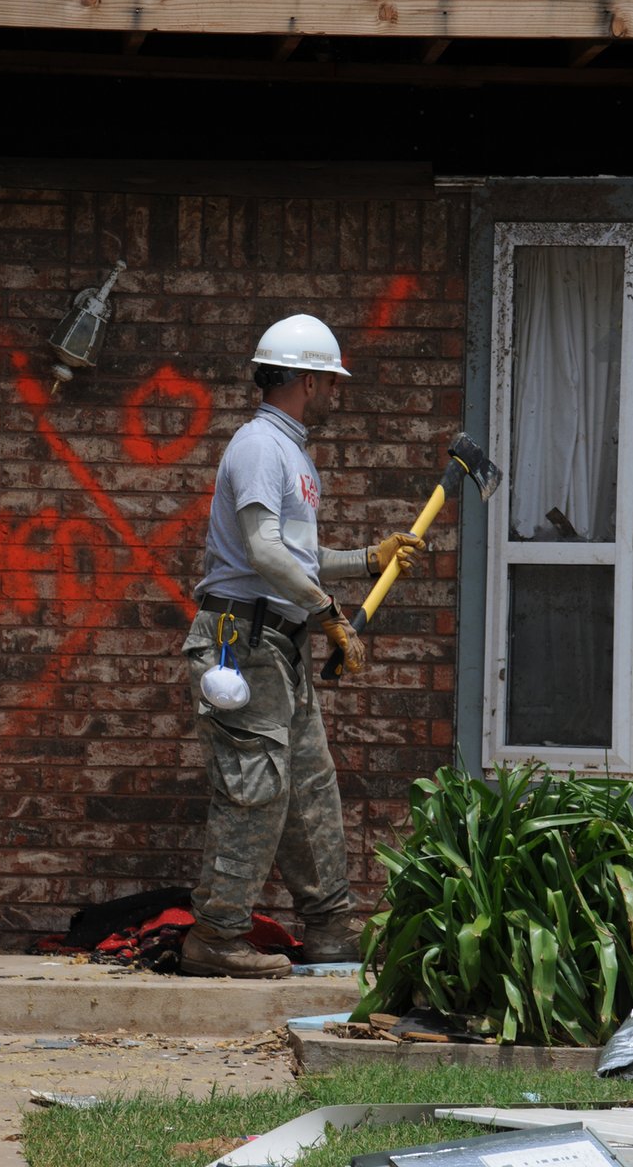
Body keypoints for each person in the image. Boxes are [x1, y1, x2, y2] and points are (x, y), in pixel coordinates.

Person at [180, 314, 425, 979]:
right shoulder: (260, 445)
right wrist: (329, 613)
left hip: (276, 644)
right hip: (241, 642)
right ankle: (215, 936)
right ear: (308, 380)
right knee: (255, 789)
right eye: (331, 381)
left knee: (311, 789)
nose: (336, 392)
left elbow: (295, 557)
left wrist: (366, 559)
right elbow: (263, 553)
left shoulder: (290, 452)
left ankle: (330, 931)